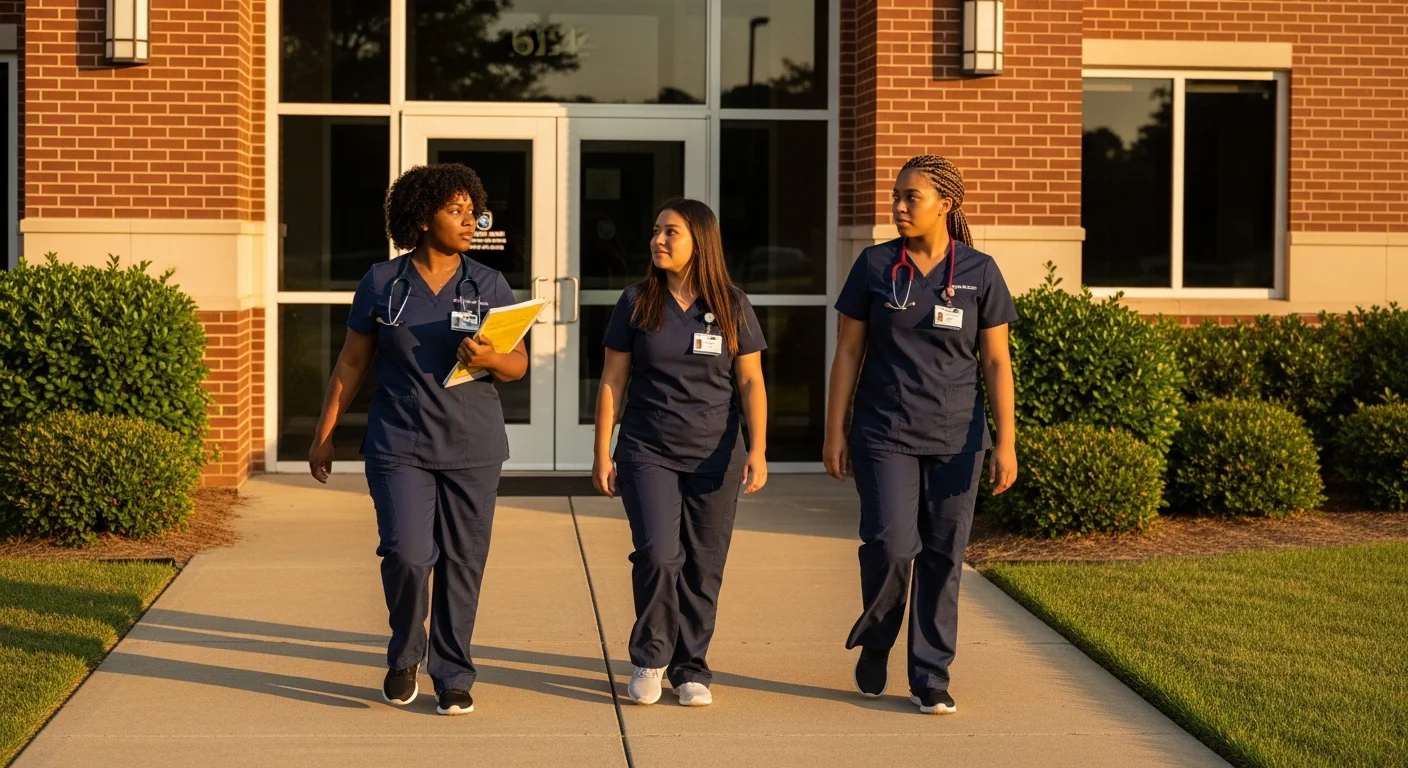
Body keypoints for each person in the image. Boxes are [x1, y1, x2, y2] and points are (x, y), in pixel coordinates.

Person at [307, 163, 528, 716]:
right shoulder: (383, 282)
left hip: (473, 447)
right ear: (422, 217)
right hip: (399, 443)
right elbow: (352, 363)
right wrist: (323, 434)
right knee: (407, 553)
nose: (470, 221)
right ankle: (405, 654)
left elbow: (518, 365)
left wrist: (491, 358)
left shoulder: (488, 284)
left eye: (473, 211)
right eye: (456, 211)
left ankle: (452, 674)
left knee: (463, 562)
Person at [823, 155, 1018, 715]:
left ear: (945, 205)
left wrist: (1006, 441)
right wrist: (834, 430)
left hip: (958, 438)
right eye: (896, 195)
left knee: (942, 556)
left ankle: (930, 676)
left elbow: (996, 362)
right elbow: (849, 351)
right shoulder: (875, 264)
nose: (899, 206)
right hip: (884, 431)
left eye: (912, 197)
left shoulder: (980, 271)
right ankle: (878, 635)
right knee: (890, 546)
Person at [592, 198, 769, 708]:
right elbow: (613, 379)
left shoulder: (732, 304)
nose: (658, 240)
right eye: (655, 231)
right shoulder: (636, 301)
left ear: (700, 242)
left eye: (671, 232)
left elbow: (751, 381)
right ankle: (651, 657)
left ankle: (691, 667)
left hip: (716, 454)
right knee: (659, 554)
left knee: (703, 564)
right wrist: (602, 451)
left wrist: (758, 448)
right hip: (648, 448)